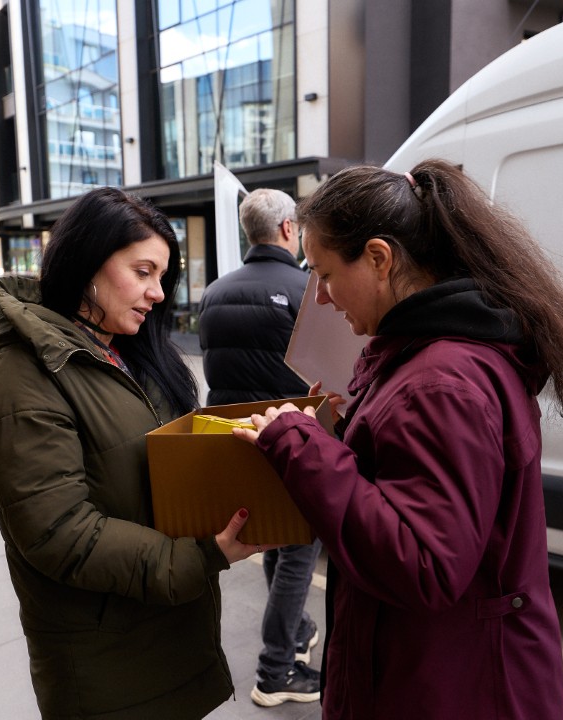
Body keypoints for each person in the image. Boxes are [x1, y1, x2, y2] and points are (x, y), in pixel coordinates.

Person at [232, 160, 563, 719]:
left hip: (451, 686)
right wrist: (343, 435)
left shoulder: (439, 382)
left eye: (325, 274)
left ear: (378, 258)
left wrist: (303, 447)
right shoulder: (440, 360)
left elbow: (425, 563)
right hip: (451, 674)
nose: (322, 297)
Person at [0, 187, 268, 719]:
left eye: (163, 276)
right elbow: (58, 532)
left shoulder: (123, 348)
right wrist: (199, 557)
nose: (157, 293)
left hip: (166, 627)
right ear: (87, 261)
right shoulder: (21, 374)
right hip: (103, 656)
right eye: (143, 271)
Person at [197, 188, 323, 707]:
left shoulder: (214, 293)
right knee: (298, 552)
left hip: (236, 444)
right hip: (291, 439)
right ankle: (275, 671)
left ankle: (297, 630)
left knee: (272, 540)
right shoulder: (307, 289)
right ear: (289, 229)